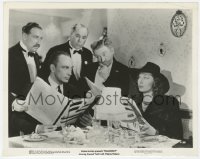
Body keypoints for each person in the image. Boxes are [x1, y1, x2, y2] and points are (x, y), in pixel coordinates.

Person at [9, 22, 57, 137]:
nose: (39, 42)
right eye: (36, 37)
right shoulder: (8, 54)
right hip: (12, 113)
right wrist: (13, 102)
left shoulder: (35, 56)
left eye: (41, 38)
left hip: (31, 111)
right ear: (25, 36)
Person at [131, 62, 183, 139]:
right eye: (139, 77)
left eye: (146, 78)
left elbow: (176, 134)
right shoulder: (134, 100)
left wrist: (155, 132)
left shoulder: (169, 102)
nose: (140, 81)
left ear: (155, 82)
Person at [39, 24, 93, 98]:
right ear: (71, 35)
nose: (80, 40)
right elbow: (44, 74)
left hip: (82, 96)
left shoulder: (88, 53)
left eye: (84, 37)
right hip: (60, 94)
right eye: (77, 36)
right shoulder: (55, 50)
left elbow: (88, 77)